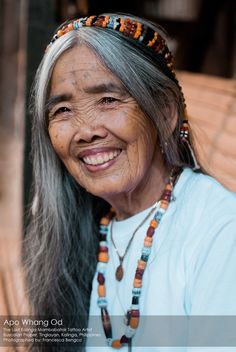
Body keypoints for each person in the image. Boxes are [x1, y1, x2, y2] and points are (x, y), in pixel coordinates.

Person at [23, 13, 236, 352]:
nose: (85, 130)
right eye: (62, 110)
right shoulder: (80, 229)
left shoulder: (221, 229)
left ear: (164, 112)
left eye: (108, 100)